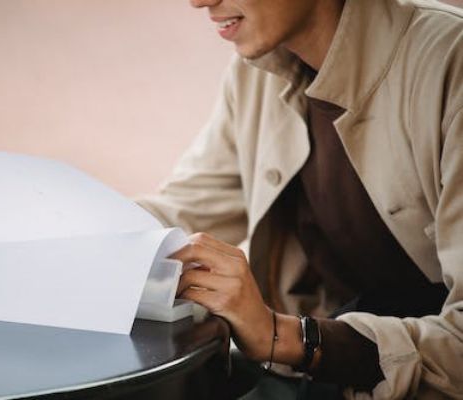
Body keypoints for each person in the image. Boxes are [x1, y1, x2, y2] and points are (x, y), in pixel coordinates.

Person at [136, 0, 463, 398]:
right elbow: (185, 206)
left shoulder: (450, 64)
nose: (199, 1)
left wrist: (282, 335)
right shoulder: (256, 72)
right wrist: (76, 229)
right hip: (311, 372)